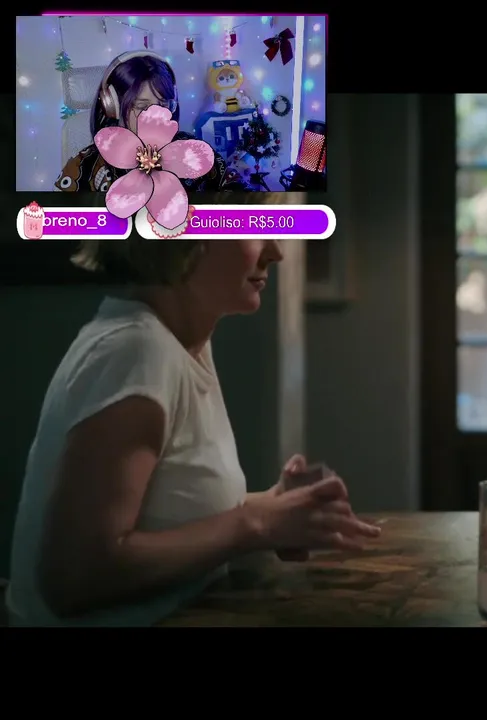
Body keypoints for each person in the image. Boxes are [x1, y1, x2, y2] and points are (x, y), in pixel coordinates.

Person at [5, 208, 381, 626]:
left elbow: (167, 513)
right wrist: (254, 524)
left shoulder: (181, 344)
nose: (275, 252)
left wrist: (275, 507)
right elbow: (74, 579)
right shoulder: (136, 350)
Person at [54, 50, 245, 193]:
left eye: (163, 104)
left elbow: (238, 197)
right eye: (141, 106)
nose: (156, 114)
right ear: (113, 106)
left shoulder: (193, 150)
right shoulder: (86, 164)